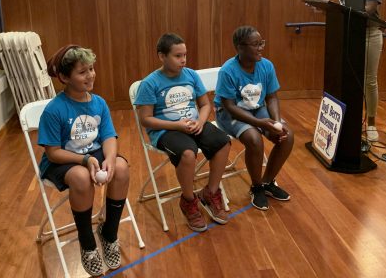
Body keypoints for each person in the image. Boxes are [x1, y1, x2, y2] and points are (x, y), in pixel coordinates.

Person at [39, 45, 129, 276]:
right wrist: (85, 160)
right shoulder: (54, 110)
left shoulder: (99, 102)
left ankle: (109, 233)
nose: (90, 75)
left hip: (93, 154)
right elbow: (53, 152)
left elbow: (108, 136)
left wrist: (109, 158)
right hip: (63, 159)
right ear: (64, 77)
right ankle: (87, 243)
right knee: (81, 178)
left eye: (91, 69)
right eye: (82, 72)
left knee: (120, 167)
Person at [134, 33, 231, 232]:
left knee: (223, 142)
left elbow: (205, 104)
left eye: (185, 55)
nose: (183, 60)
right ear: (162, 56)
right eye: (177, 56)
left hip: (194, 124)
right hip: (166, 130)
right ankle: (189, 201)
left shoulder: (191, 75)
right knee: (188, 153)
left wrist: (200, 121)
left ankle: (210, 193)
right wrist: (177, 125)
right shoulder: (150, 83)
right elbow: (146, 119)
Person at [214, 26, 293, 211]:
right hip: (230, 113)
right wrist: (259, 124)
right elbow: (229, 106)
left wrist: (277, 123)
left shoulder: (267, 65)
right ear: (240, 47)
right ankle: (256, 187)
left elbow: (272, 97)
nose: (260, 48)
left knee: (287, 135)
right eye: (255, 44)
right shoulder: (228, 70)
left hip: (257, 109)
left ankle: (267, 183)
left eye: (261, 43)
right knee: (254, 139)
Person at [339, 0, 383, 145]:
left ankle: (371, 123)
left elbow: (370, 9)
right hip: (351, 35)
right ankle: (352, 120)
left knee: (369, 80)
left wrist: (346, 10)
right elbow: (345, 9)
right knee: (351, 79)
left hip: (369, 34)